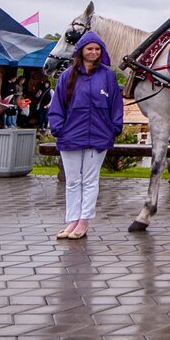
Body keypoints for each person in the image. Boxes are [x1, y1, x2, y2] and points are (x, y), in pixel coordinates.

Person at [47, 31, 123, 240]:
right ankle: (72, 219)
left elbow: (116, 103)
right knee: (72, 180)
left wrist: (114, 127)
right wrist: (58, 127)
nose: (94, 52)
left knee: (90, 180)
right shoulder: (67, 76)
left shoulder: (107, 76)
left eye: (97, 49)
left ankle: (84, 221)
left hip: (98, 136)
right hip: (71, 134)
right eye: (90, 48)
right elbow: (58, 104)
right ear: (81, 51)